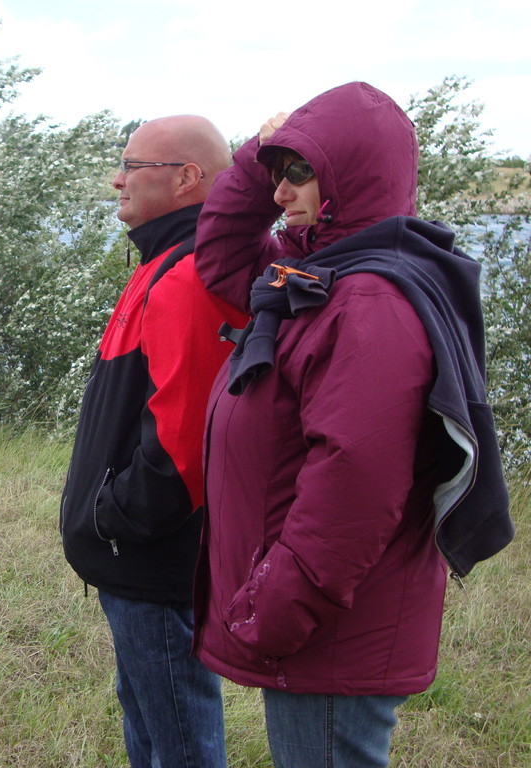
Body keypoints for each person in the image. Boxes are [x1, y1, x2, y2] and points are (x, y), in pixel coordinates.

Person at [193, 82, 514, 767]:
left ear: (352, 174)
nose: (281, 191)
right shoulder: (316, 271)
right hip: (319, 620)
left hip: (329, 627)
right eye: (279, 174)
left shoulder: (367, 301)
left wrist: (276, 607)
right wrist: (258, 154)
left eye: (300, 172)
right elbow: (219, 252)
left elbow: (354, 480)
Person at [60, 115, 247, 768]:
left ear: (188, 178)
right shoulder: (162, 265)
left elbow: (183, 446)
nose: (117, 178)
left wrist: (115, 519)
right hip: (135, 559)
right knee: (147, 719)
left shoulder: (189, 279)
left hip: (152, 562)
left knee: (179, 739)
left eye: (132, 166)